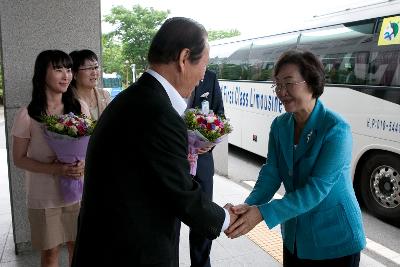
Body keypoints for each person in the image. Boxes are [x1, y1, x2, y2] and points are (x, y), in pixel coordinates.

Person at [71, 17, 236, 267]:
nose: (203, 75)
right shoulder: (158, 113)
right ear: (184, 58)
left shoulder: (136, 98)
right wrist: (226, 218)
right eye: (204, 65)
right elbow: (180, 193)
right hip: (128, 253)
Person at [225, 50, 366, 267]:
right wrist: (246, 207)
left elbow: (316, 189)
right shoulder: (280, 125)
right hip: (295, 236)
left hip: (335, 239)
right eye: (277, 84)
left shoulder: (336, 130)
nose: (281, 92)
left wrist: (262, 213)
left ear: (311, 82)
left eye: (289, 83)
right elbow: (271, 173)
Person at [11, 50, 89, 267]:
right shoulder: (27, 114)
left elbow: (90, 147)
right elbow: (19, 159)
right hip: (44, 196)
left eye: (68, 69)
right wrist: (55, 169)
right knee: (50, 254)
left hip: (77, 191)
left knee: (79, 248)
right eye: (58, 69)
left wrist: (84, 163)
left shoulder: (79, 107)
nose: (66, 75)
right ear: (41, 74)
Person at [185, 69, 224, 267]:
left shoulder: (210, 77)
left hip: (203, 160)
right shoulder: (171, 74)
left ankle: (201, 264)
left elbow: (220, 114)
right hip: (174, 159)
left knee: (203, 216)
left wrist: (210, 141)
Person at [69, 49, 111, 120]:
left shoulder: (104, 95)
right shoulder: (68, 99)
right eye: (89, 68)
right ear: (74, 74)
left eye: (96, 67)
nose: (94, 72)